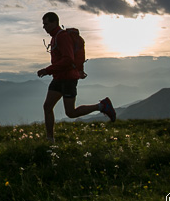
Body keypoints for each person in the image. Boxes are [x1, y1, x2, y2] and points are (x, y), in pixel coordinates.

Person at [37, 12, 116, 142]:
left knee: (71, 113)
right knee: (47, 106)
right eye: (43, 24)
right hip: (59, 78)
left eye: (46, 24)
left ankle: (102, 106)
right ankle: (50, 139)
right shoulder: (55, 37)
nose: (44, 27)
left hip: (68, 79)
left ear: (54, 23)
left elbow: (68, 59)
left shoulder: (61, 37)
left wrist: (47, 70)